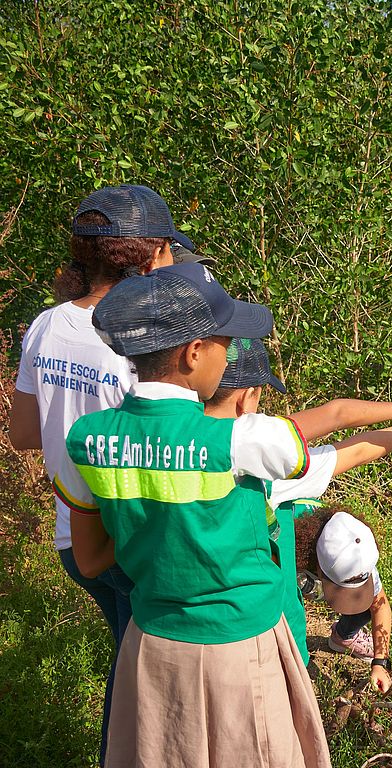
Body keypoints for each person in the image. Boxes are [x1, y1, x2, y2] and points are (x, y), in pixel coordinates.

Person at [53, 263, 332, 767]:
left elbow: (91, 560)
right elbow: (299, 449)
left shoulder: (88, 440)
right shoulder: (246, 439)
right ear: (194, 352)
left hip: (153, 647)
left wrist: (151, 527)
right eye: (225, 340)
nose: (230, 354)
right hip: (241, 647)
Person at [8, 184, 205, 765]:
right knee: (146, 692)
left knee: (133, 666)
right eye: (169, 254)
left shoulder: (46, 326)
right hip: (131, 539)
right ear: (148, 260)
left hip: (74, 537)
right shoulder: (137, 341)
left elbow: (24, 435)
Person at [202, 337, 392, 691]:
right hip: (244, 614)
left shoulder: (176, 436)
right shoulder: (261, 452)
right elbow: (347, 436)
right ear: (247, 396)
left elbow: (346, 429)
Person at [297, 506, 392, 694]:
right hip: (290, 569)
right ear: (318, 564)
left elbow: (380, 605)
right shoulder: (285, 544)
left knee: (367, 600)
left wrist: (380, 662)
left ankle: (343, 636)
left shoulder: (356, 550)